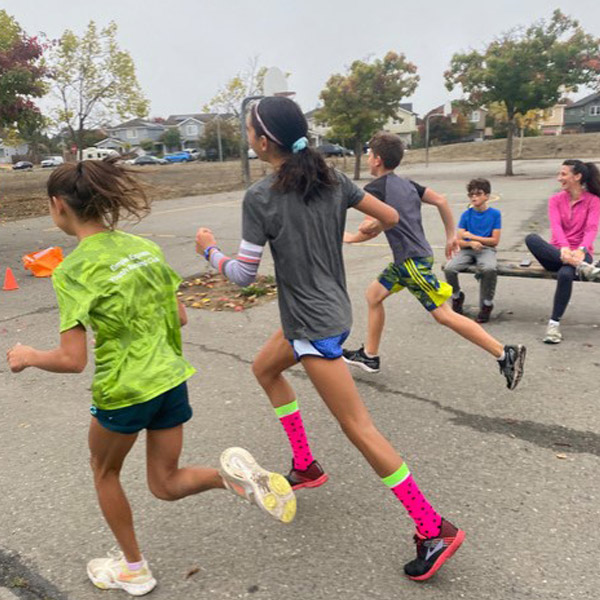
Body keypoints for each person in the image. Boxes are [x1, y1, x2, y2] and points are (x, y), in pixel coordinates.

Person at [195, 96, 465, 582]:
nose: (247, 139)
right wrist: (364, 230)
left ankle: (433, 527)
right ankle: (306, 466)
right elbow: (391, 217)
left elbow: (242, 275)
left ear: (261, 140)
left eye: (248, 131)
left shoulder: (261, 196)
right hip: (321, 316)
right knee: (264, 369)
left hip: (313, 327)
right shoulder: (332, 179)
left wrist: (208, 250)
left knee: (359, 428)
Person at [6, 159, 296, 597]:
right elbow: (179, 316)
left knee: (104, 472)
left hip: (124, 391)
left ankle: (134, 569)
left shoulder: (73, 270)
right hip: (170, 381)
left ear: (58, 205)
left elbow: (72, 360)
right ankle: (232, 479)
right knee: (165, 483)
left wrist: (27, 355)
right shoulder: (144, 249)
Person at [342, 132, 526, 390]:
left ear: (377, 160)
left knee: (444, 315)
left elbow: (371, 226)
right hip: (413, 258)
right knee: (373, 295)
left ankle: (504, 353)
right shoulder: (407, 184)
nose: (368, 158)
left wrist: (351, 236)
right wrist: (451, 235)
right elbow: (440, 200)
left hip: (410, 262)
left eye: (370, 154)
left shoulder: (375, 190)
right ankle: (370, 356)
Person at [525, 159, 600, 344]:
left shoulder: (594, 201)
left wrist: (581, 250)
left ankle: (553, 325)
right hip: (556, 252)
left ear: (577, 176)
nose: (559, 178)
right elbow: (556, 227)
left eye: (563, 174)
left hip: (582, 253)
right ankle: (582, 267)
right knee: (531, 238)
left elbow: (591, 229)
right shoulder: (555, 200)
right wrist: (565, 249)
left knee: (565, 274)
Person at [443, 178, 501, 323]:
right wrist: (470, 243)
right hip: (467, 249)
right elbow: (459, 240)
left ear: (486, 196)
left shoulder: (495, 214)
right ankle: (457, 296)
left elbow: (494, 241)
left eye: (478, 194)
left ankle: (487, 304)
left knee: (489, 268)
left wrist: (473, 238)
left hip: (486, 249)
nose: (474, 197)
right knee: (449, 268)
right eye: (471, 195)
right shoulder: (466, 215)